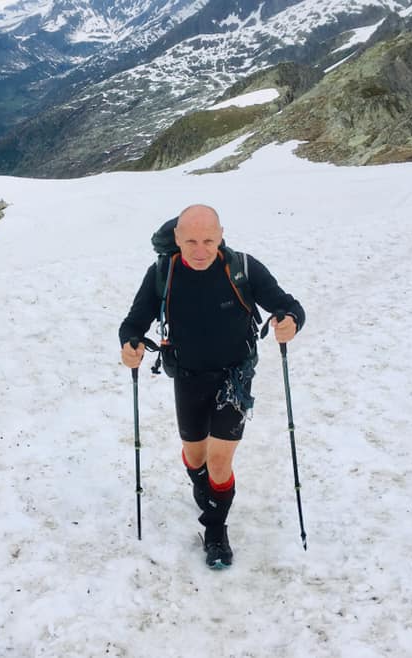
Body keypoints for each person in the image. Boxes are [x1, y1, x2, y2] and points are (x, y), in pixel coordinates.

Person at [119, 204, 304, 568]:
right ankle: (203, 485)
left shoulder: (243, 269)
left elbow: (287, 305)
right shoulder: (163, 273)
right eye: (190, 241)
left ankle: (215, 530)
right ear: (177, 240)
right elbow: (133, 323)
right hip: (187, 377)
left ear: (221, 235)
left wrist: (291, 321)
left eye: (208, 240)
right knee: (195, 456)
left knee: (220, 461)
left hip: (235, 377)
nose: (200, 250)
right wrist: (130, 345)